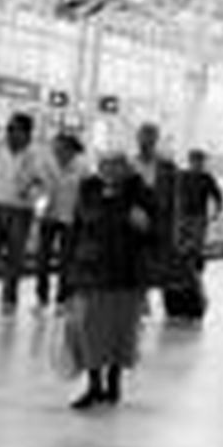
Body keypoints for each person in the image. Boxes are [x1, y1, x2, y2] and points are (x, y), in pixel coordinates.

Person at [61, 152, 156, 410]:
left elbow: (155, 233)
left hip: (127, 276)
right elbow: (76, 233)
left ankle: (113, 381)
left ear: (126, 169)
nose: (111, 171)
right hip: (92, 274)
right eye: (106, 166)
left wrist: (145, 225)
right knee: (90, 330)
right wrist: (67, 276)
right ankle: (94, 385)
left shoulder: (140, 194)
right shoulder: (89, 192)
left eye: (117, 166)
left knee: (120, 332)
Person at [0, 113, 47, 314]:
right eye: (9, 129)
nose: (11, 134)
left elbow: (42, 184)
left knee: (14, 258)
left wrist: (30, 195)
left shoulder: (36, 155)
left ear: (27, 134)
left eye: (16, 130)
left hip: (20, 211)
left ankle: (9, 299)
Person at [165, 149, 223, 321]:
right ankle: (186, 274)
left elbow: (217, 195)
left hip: (198, 218)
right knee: (181, 249)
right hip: (182, 217)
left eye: (200, 161)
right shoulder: (181, 176)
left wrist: (218, 210)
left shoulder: (206, 178)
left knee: (194, 250)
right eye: (194, 161)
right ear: (190, 161)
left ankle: (194, 270)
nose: (197, 164)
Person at [35, 133, 87, 313]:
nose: (57, 152)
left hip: (70, 218)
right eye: (55, 148)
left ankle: (62, 299)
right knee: (42, 259)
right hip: (49, 216)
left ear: (71, 150)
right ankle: (41, 298)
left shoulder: (82, 168)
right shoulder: (46, 164)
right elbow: (37, 186)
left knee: (66, 261)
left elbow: (87, 193)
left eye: (61, 149)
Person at [131, 123, 179, 313]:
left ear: (156, 140)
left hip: (158, 219)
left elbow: (175, 199)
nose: (146, 141)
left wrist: (174, 227)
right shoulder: (129, 164)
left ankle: (143, 296)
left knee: (151, 260)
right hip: (133, 217)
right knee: (135, 259)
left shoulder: (167, 167)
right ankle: (139, 297)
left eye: (150, 137)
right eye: (143, 137)